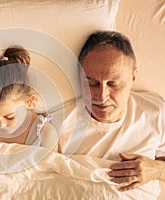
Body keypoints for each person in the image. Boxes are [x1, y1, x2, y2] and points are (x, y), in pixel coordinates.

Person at [59, 31, 165, 195]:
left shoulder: (155, 113)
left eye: (114, 84)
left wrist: (158, 170)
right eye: (91, 83)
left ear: (133, 77)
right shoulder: (59, 123)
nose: (101, 96)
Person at [0, 47, 58, 152]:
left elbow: (53, 166)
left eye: (9, 117)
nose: (1, 125)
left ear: (29, 102)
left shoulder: (44, 135)